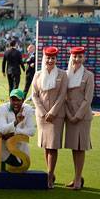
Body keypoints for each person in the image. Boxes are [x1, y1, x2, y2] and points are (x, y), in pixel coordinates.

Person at [31, 46, 68, 189]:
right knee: (46, 146)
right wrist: (42, 111)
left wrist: (52, 112)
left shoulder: (62, 74)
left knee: (53, 147)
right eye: (48, 58)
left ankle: (49, 176)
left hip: (56, 116)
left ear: (56, 59)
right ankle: (50, 174)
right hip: (42, 116)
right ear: (44, 58)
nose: (50, 60)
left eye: (53, 58)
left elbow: (62, 95)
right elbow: (34, 95)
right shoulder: (38, 75)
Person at [65, 47, 94, 190]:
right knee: (73, 147)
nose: (77, 59)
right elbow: (64, 97)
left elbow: (88, 99)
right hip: (70, 117)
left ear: (84, 58)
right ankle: (76, 177)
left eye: (80, 56)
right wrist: (70, 115)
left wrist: (77, 115)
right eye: (75, 56)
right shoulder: (66, 74)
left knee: (80, 147)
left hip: (82, 118)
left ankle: (77, 180)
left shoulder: (89, 75)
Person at [0, 89, 36, 170]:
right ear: (10, 99)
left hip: (21, 150)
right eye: (13, 99)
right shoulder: (3, 108)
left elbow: (32, 131)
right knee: (1, 175)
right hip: (3, 149)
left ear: (22, 100)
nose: (15, 102)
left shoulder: (28, 109)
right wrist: (16, 122)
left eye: (18, 100)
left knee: (19, 176)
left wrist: (14, 132)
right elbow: (1, 130)